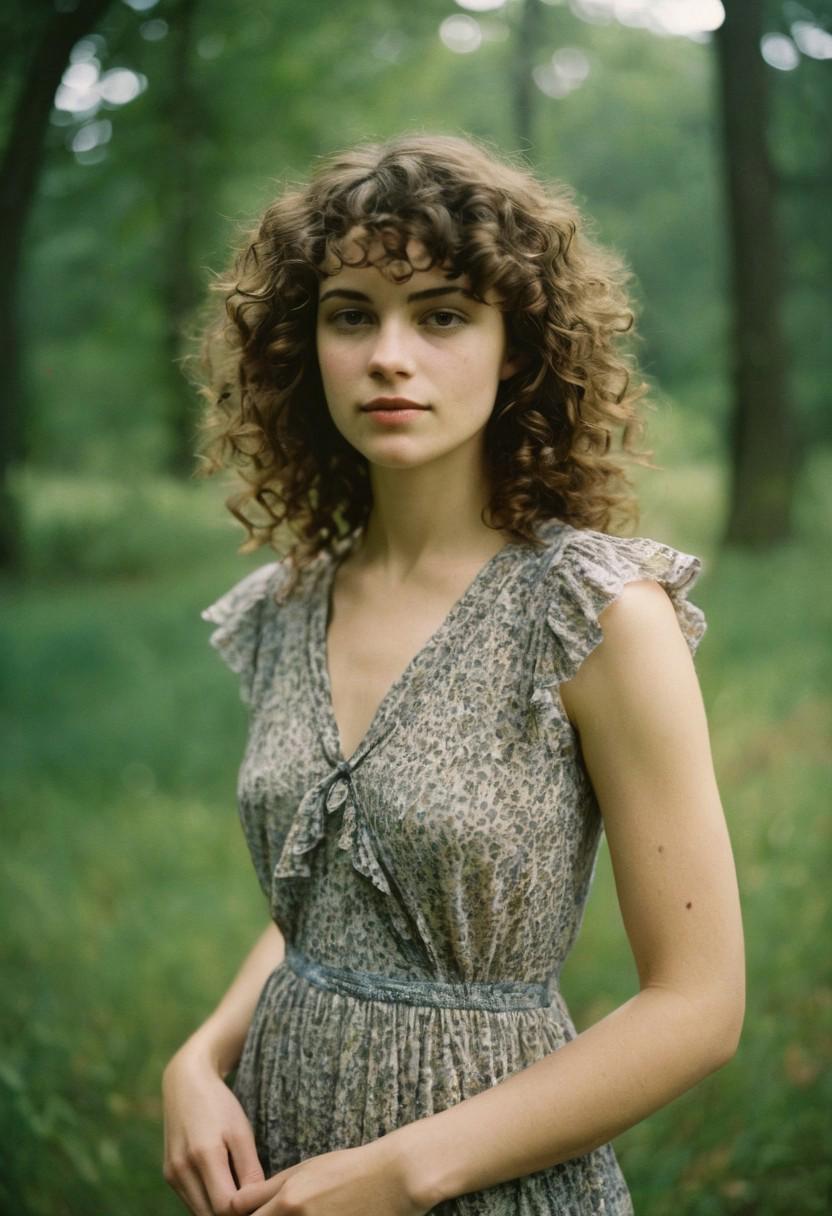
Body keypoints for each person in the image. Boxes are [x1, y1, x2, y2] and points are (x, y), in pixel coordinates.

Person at [162, 132, 745, 1216]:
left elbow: (698, 1006)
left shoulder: (594, 611)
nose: (390, 354)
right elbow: (327, 900)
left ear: (514, 348)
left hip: (489, 1184)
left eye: (439, 314)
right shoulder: (289, 605)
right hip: (277, 1162)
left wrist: (399, 1174)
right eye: (351, 314)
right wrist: (196, 1063)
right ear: (307, 346)